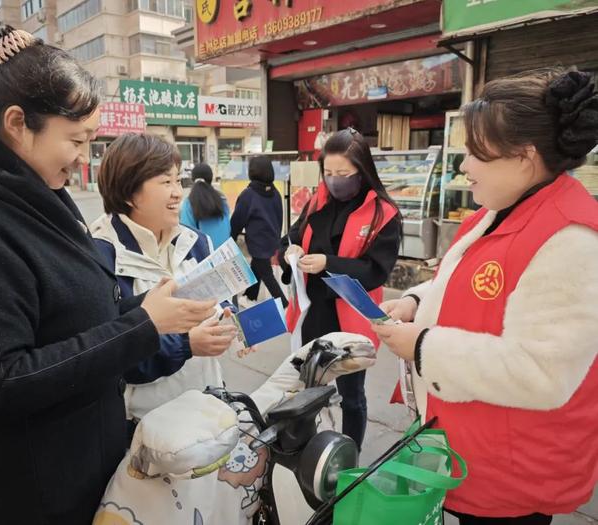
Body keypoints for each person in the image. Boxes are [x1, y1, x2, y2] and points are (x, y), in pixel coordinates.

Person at [0, 21, 215, 525]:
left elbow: (76, 317)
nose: (83, 157)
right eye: (76, 139)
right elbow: (0, 384)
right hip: (26, 495)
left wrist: (154, 310)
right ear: (16, 122)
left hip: (88, 472)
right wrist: (143, 326)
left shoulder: (41, 197)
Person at [374, 68, 598, 524]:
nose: (463, 168)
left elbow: (541, 372)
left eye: (476, 154)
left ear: (524, 157)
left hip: (513, 472)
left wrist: (421, 346)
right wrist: (417, 300)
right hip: (473, 450)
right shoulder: (499, 209)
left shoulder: (571, 238)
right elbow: (469, 281)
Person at [91, 134, 237, 424]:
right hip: (145, 424)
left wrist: (230, 320)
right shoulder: (101, 255)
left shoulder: (198, 242)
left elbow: (222, 301)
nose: (177, 193)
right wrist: (187, 344)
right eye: (165, 182)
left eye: (178, 180)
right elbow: (109, 353)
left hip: (208, 406)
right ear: (128, 192)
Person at [278, 129, 402, 450]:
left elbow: (377, 271)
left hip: (350, 319)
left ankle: (349, 455)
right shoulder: (317, 201)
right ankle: (308, 451)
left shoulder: (382, 214)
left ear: (362, 171)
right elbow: (292, 237)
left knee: (351, 395)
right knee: (306, 386)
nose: (334, 181)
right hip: (312, 312)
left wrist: (328, 263)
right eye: (328, 173)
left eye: (343, 174)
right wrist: (289, 251)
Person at [230, 155, 288, 307]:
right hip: (272, 239)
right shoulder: (275, 192)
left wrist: (232, 238)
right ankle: (250, 297)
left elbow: (237, 220)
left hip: (258, 243)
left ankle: (284, 304)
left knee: (267, 275)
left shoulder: (249, 195)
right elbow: (279, 216)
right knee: (256, 268)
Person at [180, 162, 231, 249]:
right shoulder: (222, 201)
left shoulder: (189, 203)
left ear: (192, 179)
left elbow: (186, 236)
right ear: (211, 179)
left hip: (203, 259)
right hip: (225, 254)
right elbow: (227, 230)